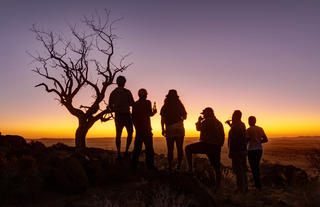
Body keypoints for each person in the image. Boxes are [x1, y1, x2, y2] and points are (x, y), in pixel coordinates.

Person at [185, 107, 225, 188]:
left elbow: (198, 128)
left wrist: (199, 121)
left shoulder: (208, 121)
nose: (204, 115)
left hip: (206, 145)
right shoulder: (219, 122)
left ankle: (190, 169)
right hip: (216, 146)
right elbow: (223, 135)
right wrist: (220, 145)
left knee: (188, 148)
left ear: (209, 113)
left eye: (204, 113)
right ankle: (218, 186)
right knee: (216, 167)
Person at [108, 76, 134, 159]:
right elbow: (132, 104)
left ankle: (118, 153)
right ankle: (126, 151)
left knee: (118, 134)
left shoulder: (113, 93)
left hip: (118, 116)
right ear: (124, 83)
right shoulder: (127, 92)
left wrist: (116, 108)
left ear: (117, 82)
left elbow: (110, 106)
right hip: (126, 115)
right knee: (130, 133)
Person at [160, 89, 187, 170]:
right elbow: (185, 117)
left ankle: (170, 166)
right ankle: (179, 165)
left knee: (170, 149)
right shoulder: (180, 105)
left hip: (169, 128)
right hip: (179, 127)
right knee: (179, 148)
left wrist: (163, 129)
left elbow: (162, 119)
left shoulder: (165, 106)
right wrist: (180, 117)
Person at [131, 88, 157, 169]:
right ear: (145, 95)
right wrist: (154, 112)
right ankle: (150, 167)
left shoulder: (135, 104)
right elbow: (150, 114)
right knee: (149, 150)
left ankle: (134, 166)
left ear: (139, 95)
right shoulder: (147, 102)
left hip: (139, 130)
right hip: (147, 130)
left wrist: (136, 128)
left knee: (137, 149)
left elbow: (133, 117)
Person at [226, 110, 248, 193]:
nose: (232, 116)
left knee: (238, 170)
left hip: (237, 151)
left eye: (233, 115)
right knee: (243, 169)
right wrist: (230, 125)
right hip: (242, 150)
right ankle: (245, 188)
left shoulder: (237, 125)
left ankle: (240, 189)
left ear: (235, 116)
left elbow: (235, 138)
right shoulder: (242, 124)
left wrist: (231, 152)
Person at [246, 116, 268, 190]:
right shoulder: (260, 129)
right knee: (257, 167)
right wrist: (259, 142)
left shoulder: (248, 130)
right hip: (259, 149)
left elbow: (247, 140)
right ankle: (258, 185)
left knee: (253, 168)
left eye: (249, 121)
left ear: (249, 121)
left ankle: (257, 186)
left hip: (251, 150)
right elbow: (266, 139)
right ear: (255, 121)